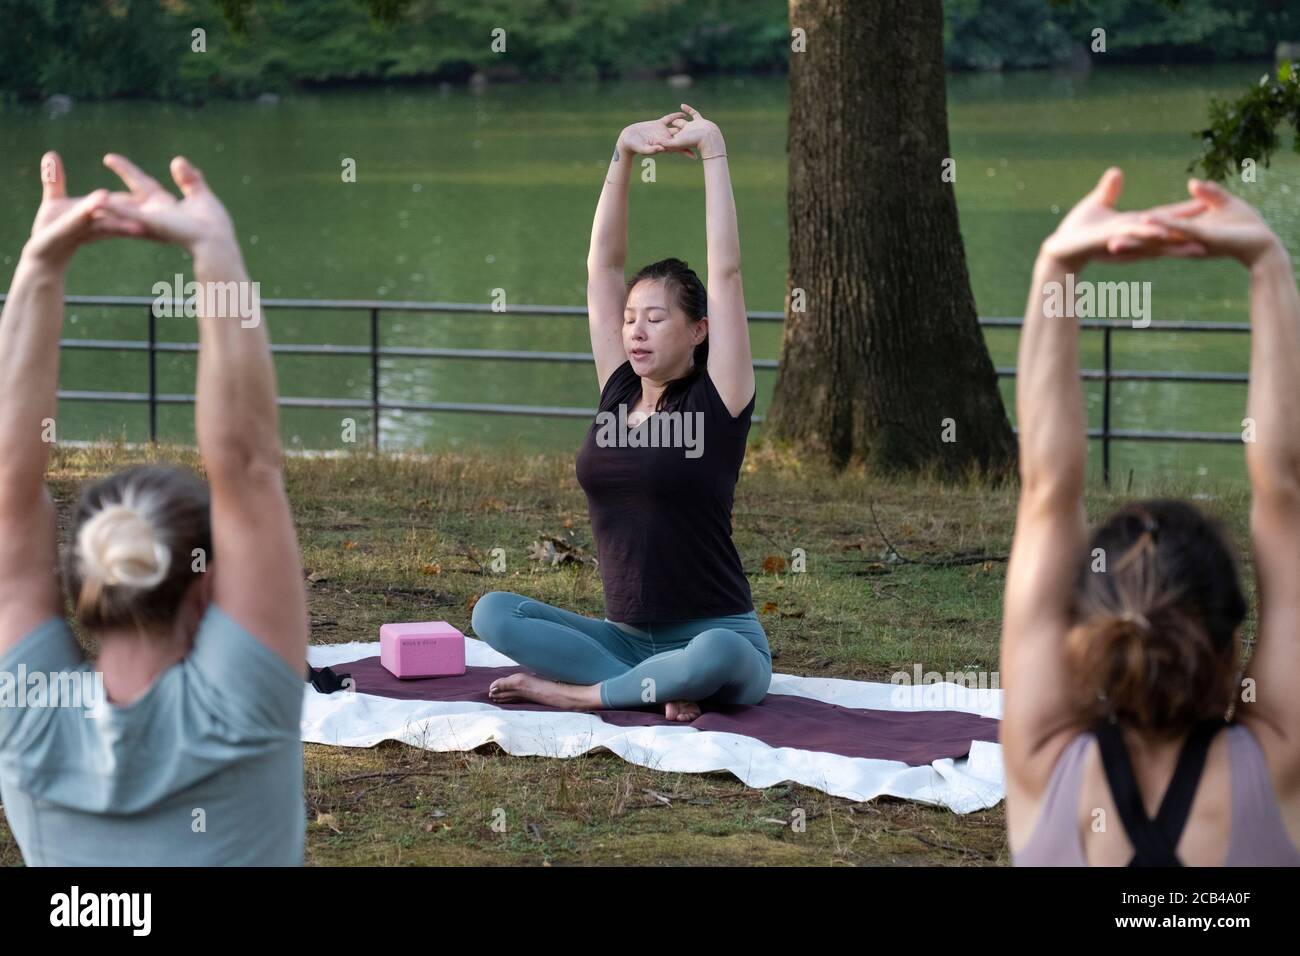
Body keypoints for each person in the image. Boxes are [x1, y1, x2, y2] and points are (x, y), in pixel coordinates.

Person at [0, 152, 309, 865]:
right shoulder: (241, 710)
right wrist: (214, 248)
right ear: (207, 584)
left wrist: (40, 265)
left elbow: (10, 486)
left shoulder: (27, 717)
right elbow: (249, 468)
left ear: (83, 586)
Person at [1002, 168, 1300, 865]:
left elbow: (1048, 489)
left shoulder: (1045, 764)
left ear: (1084, 640)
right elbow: (1283, 488)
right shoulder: (1277, 766)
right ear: (1232, 651)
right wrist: (1266, 263)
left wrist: (1058, 262)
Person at [471, 105, 769, 722]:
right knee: (493, 612)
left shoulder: (719, 398)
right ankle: (651, 686)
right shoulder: (618, 389)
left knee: (712, 653)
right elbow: (601, 268)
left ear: (698, 331)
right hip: (623, 637)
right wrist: (623, 155)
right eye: (630, 318)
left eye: (656, 320)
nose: (636, 332)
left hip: (720, 635)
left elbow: (729, 273)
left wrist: (713, 149)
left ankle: (584, 694)